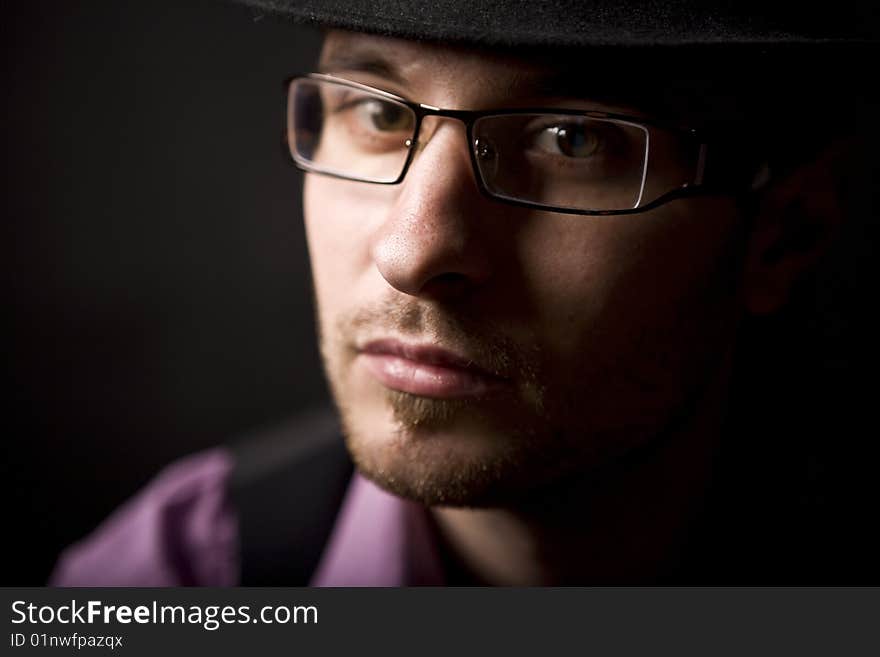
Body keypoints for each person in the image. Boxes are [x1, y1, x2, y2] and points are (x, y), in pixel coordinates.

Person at [51, 0, 879, 586]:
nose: (412, 252)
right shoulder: (172, 583)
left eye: (572, 139)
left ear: (783, 233)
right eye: (376, 114)